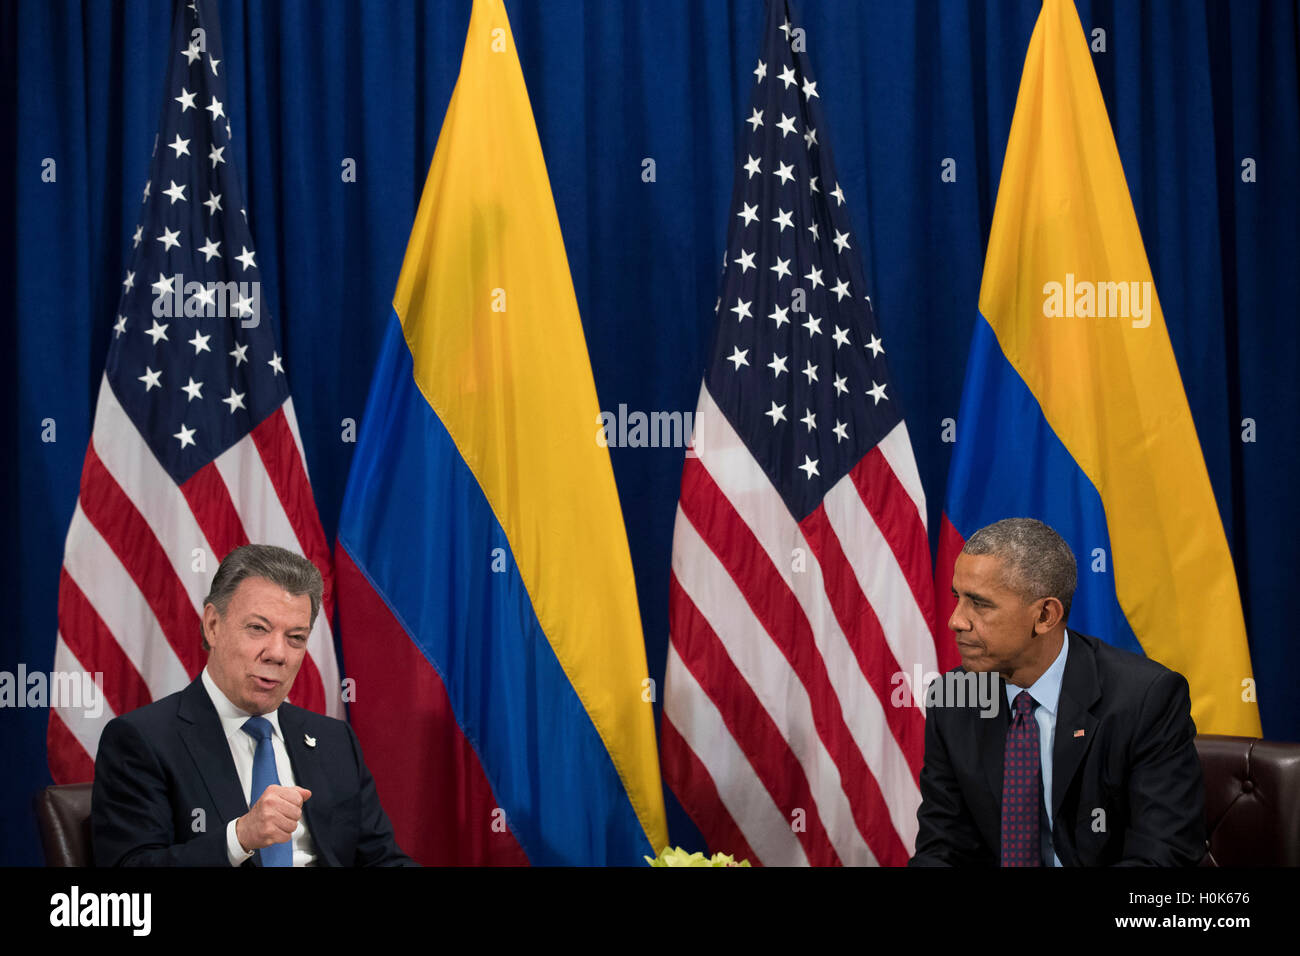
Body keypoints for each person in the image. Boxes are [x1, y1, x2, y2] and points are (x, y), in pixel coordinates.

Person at [92, 544, 415, 866]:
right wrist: (240, 837)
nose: (277, 653)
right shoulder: (143, 739)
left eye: (296, 637)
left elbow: (381, 859)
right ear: (213, 626)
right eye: (258, 629)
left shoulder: (333, 739)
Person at [909, 518, 1205, 866]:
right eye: (958, 598)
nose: (956, 621)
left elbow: (1163, 857)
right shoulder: (954, 698)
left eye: (980, 604)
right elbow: (942, 848)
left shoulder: (1145, 699)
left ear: (1046, 615)